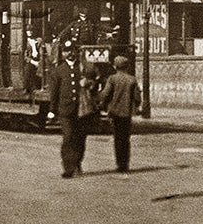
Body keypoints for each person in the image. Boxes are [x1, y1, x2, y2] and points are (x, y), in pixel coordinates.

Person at [46, 40, 99, 178]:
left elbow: (95, 81)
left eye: (71, 51)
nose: (69, 53)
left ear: (75, 52)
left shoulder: (83, 68)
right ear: (62, 53)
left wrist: (88, 83)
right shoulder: (58, 72)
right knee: (68, 137)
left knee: (80, 139)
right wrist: (52, 111)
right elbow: (54, 93)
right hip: (65, 111)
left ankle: (77, 163)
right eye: (65, 51)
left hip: (81, 110)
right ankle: (68, 167)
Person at [99, 55, 141, 173]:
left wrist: (100, 102)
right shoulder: (132, 79)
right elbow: (137, 97)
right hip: (127, 112)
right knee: (126, 139)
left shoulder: (112, 79)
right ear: (126, 66)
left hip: (115, 112)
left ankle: (119, 164)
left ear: (115, 66)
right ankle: (125, 164)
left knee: (117, 138)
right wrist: (136, 106)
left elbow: (106, 94)